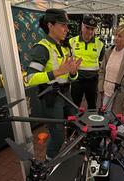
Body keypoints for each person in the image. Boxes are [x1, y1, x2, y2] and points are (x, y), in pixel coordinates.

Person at [26, 8, 82, 160]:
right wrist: (58, 72)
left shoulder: (64, 46)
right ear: (50, 25)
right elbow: (30, 78)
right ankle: (49, 164)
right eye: (63, 25)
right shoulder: (42, 47)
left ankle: (72, 154)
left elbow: (71, 76)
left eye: (67, 25)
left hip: (66, 94)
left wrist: (72, 72)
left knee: (79, 124)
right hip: (51, 96)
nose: (66, 29)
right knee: (57, 136)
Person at [98, 24, 124, 115]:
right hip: (106, 94)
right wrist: (101, 87)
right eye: (116, 35)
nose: (116, 38)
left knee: (117, 125)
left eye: (120, 36)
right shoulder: (109, 51)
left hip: (121, 97)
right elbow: (102, 71)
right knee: (105, 121)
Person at [69, 15, 105, 109]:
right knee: (74, 105)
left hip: (92, 81)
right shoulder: (71, 41)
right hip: (77, 80)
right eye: (87, 28)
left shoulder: (100, 44)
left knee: (92, 106)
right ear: (82, 26)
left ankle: (91, 123)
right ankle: (74, 124)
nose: (89, 31)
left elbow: (101, 63)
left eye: (92, 29)